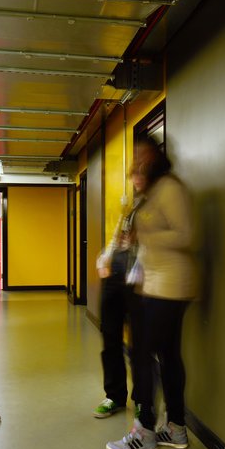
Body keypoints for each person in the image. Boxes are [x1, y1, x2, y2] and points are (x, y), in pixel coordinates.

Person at [106, 136, 197, 449]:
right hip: (156, 285)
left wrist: (146, 234)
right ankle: (175, 427)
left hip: (170, 287)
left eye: (144, 155)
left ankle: (143, 431)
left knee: (141, 353)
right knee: (169, 356)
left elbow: (186, 234)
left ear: (157, 156)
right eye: (136, 157)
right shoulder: (149, 192)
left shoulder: (170, 188)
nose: (139, 162)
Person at [92, 168, 146, 418]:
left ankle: (142, 399)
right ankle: (114, 396)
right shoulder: (131, 206)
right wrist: (104, 258)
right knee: (110, 339)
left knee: (139, 343)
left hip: (138, 282)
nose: (135, 179)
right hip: (114, 277)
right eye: (134, 175)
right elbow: (118, 238)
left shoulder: (156, 206)